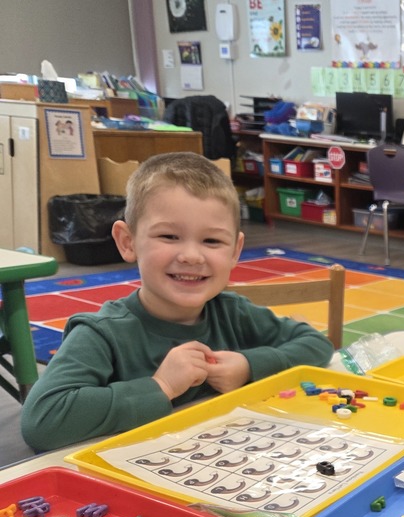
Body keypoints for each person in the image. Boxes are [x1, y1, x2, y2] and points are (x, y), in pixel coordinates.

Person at [21, 152, 335, 452]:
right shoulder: (101, 333)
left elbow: (316, 344)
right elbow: (42, 421)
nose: (191, 256)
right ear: (128, 242)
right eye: (169, 236)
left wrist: (248, 366)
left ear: (235, 251)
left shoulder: (233, 312)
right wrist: (161, 386)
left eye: (212, 240)